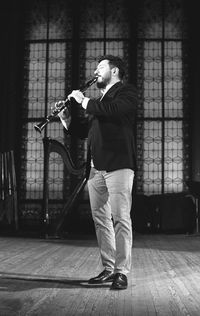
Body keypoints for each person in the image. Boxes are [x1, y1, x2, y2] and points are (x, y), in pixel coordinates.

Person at [58, 55, 137, 290]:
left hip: (118, 165)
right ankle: (109, 268)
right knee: (101, 220)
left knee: (121, 219)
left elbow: (113, 111)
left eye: (100, 67)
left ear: (114, 71)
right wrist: (67, 119)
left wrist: (83, 102)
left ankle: (122, 272)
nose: (95, 71)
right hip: (95, 168)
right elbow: (87, 132)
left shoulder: (126, 92)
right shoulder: (99, 101)